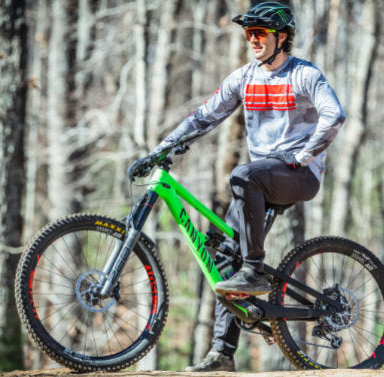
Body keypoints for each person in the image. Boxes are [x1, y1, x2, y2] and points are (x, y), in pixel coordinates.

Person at [136, 2, 345, 372]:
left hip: (298, 174)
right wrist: (157, 152)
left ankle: (255, 269)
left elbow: (334, 114)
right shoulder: (244, 78)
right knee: (224, 258)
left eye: (260, 33)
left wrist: (306, 153)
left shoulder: (304, 75)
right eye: (249, 34)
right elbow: (203, 116)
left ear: (282, 37)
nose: (253, 40)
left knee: (243, 176)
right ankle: (222, 354)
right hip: (262, 176)